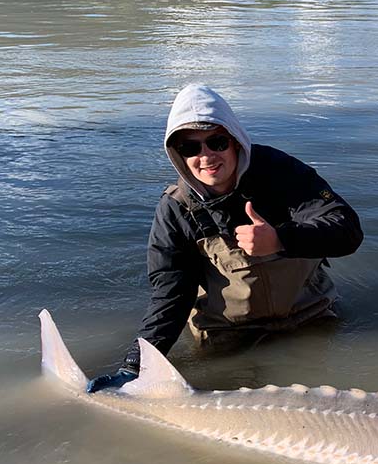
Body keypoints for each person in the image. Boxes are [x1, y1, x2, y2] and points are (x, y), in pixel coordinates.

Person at [88, 83, 363, 391]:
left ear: (235, 141)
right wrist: (135, 366)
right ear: (177, 155)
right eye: (191, 148)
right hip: (230, 332)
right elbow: (171, 294)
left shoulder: (282, 174)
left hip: (310, 316)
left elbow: (347, 230)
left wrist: (281, 239)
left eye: (216, 142)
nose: (206, 157)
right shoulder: (176, 209)